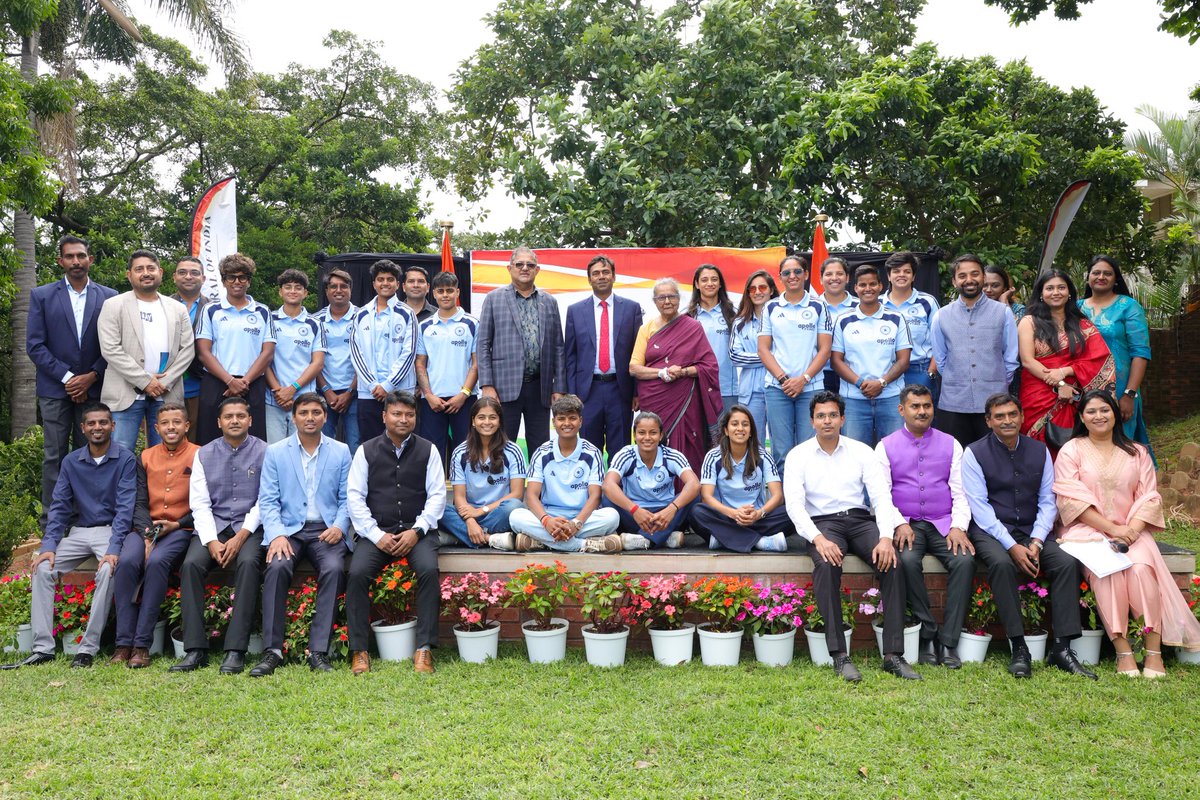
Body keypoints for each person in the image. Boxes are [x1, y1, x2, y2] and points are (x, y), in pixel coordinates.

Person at [1053, 391, 1200, 677]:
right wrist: (1112, 530)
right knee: (1108, 574)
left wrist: (1130, 532)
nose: (1099, 416)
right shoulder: (1071, 451)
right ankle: (1123, 652)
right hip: (1088, 532)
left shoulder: (1137, 452)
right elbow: (1071, 500)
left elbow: (1149, 498)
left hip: (1134, 531)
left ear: (1115, 414)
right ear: (1081, 417)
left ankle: (1154, 653)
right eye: (1091, 411)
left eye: (1105, 410)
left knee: (1141, 571)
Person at [782, 391, 919, 681]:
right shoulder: (798, 456)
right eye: (821, 416)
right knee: (827, 564)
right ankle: (840, 655)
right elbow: (794, 505)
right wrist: (818, 539)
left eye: (832, 415)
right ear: (812, 421)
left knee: (892, 562)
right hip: (822, 524)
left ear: (842, 418)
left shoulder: (861, 451)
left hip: (859, 520)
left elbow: (881, 497)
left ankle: (893, 655)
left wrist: (885, 537)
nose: (827, 420)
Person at [962, 393, 1095, 679]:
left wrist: (1035, 541)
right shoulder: (974, 453)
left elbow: (1048, 500)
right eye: (999, 416)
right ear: (988, 421)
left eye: (1012, 414)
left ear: (1022, 417)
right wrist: (1011, 546)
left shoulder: (1039, 450)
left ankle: (1061, 648)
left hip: (1033, 530)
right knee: (1000, 564)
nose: (1007, 420)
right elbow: (979, 507)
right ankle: (1019, 647)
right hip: (991, 531)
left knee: (1065, 563)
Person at [3, 403, 136, 670]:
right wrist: (48, 546)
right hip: (78, 533)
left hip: (109, 531)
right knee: (42, 569)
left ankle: (87, 649)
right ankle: (43, 649)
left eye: (103, 422)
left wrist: (113, 547)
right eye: (92, 423)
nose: (97, 427)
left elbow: (125, 509)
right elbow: (60, 507)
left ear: (113, 425)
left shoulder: (126, 459)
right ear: (84, 428)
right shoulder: (71, 461)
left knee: (108, 570)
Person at [250, 393, 352, 676]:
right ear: (293, 417)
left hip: (325, 530)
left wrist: (339, 526)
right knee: (277, 566)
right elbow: (268, 500)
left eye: (316, 412)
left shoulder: (341, 451)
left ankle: (318, 651)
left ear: (325, 416)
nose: (310, 418)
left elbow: (347, 499)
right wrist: (277, 535)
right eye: (304, 412)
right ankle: (272, 651)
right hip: (289, 531)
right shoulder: (276, 451)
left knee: (333, 569)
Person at [346, 390, 445, 675]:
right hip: (377, 532)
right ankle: (359, 651)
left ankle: (424, 649)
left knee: (428, 570)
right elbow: (355, 498)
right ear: (384, 416)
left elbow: (437, 496)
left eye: (409, 414)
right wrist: (377, 535)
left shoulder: (429, 449)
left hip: (417, 533)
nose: (403, 419)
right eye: (397, 414)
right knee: (356, 574)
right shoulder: (366, 450)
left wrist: (417, 530)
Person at [876, 384, 973, 669]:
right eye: (915, 406)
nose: (922, 411)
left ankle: (949, 642)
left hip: (944, 522)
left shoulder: (951, 443)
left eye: (926, 406)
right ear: (902, 409)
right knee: (905, 560)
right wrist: (898, 523)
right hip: (906, 524)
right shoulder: (885, 445)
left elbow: (960, 490)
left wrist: (958, 527)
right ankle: (928, 633)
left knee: (964, 561)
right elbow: (881, 493)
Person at [26, 235, 118, 530]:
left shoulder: (109, 297)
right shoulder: (41, 296)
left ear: (90, 259)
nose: (76, 261)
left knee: (91, 455)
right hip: (55, 389)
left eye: (81, 256)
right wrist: (69, 378)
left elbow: (115, 345)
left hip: (95, 387)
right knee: (54, 455)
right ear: (60, 261)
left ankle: (88, 520)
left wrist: (91, 375)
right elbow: (35, 346)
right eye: (70, 256)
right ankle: (52, 523)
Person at [172, 396, 267, 674]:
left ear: (250, 420)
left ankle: (236, 649)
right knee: (191, 565)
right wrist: (212, 541)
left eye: (240, 416)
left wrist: (240, 537)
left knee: (249, 563)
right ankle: (195, 649)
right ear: (219, 422)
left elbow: (265, 500)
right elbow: (199, 503)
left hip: (249, 528)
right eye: (229, 416)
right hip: (212, 527)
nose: (234, 421)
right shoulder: (204, 454)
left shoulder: (265, 452)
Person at [120, 402, 199, 668]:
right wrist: (145, 535)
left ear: (186, 425)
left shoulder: (200, 455)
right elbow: (139, 501)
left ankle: (141, 645)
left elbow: (204, 503)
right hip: (145, 526)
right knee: (128, 561)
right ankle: (122, 643)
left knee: (156, 562)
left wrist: (178, 524)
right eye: (165, 423)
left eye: (177, 422)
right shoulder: (145, 456)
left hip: (180, 528)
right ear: (155, 427)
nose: (171, 427)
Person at [98, 249, 196, 452]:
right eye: (139, 269)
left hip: (166, 394)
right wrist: (145, 381)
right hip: (124, 394)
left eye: (151, 268)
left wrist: (163, 383)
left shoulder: (176, 308)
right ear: (129, 275)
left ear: (160, 272)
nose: (146, 273)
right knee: (120, 454)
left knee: (166, 453)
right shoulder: (113, 305)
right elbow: (110, 348)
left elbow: (187, 349)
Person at [475, 247, 566, 457]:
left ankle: (538, 491)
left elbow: (558, 347)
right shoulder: (493, 299)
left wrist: (559, 387)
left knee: (541, 449)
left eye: (530, 265)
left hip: (540, 387)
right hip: (503, 388)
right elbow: (483, 344)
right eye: (519, 264)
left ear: (538, 270)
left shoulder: (549, 302)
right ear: (510, 268)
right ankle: (504, 490)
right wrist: (487, 385)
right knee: (501, 447)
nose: (525, 268)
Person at [629, 277, 724, 474]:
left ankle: (689, 495)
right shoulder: (646, 329)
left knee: (689, 445)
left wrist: (683, 371)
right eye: (661, 297)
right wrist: (661, 372)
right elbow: (634, 368)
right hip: (654, 400)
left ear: (679, 300)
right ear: (654, 301)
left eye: (672, 296)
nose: (667, 301)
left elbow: (709, 366)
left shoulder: (693, 327)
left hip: (687, 402)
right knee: (654, 442)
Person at [509, 394, 622, 553]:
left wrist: (576, 523)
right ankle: (583, 545)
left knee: (612, 517)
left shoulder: (592, 452)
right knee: (516, 516)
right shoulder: (542, 453)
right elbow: (532, 495)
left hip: (582, 518)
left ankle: (541, 542)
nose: (567, 423)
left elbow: (595, 496)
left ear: (580, 421)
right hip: (550, 517)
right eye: (561, 418)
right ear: (553, 422)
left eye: (572, 418)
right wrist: (546, 520)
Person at [1017, 269, 1115, 449]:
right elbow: (1028, 361)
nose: (1056, 292)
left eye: (1061, 287)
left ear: (1069, 292)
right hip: (1037, 393)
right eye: (1050, 288)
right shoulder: (1029, 322)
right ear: (1041, 293)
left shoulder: (1082, 324)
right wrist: (1060, 385)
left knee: (1073, 444)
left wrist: (1065, 372)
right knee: (1037, 447)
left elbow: (1099, 360)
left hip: (1075, 395)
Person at [930, 254, 1019, 447]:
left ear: (983, 278)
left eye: (974, 274)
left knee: (995, 456)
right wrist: (957, 379)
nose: (969, 280)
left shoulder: (1002, 312)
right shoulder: (941, 316)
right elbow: (941, 359)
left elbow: (1011, 357)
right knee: (955, 459)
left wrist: (997, 382)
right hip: (953, 402)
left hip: (994, 401)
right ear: (954, 281)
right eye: (962, 276)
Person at [563, 255, 643, 457]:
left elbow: (639, 352)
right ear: (589, 279)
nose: (601, 276)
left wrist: (637, 391)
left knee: (621, 449)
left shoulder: (632, 309)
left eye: (606, 272)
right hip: (587, 393)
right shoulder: (575, 311)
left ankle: (617, 488)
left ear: (614, 276)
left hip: (620, 390)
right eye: (596, 273)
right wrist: (572, 393)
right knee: (589, 449)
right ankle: (594, 489)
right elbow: (570, 356)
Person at [194, 253, 277, 444]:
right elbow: (203, 352)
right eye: (231, 277)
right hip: (217, 383)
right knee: (210, 440)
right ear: (223, 281)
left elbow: (268, 353)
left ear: (249, 281)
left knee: (254, 442)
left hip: (252, 383)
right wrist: (230, 381)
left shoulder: (262, 311)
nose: (237, 282)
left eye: (242, 277)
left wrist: (244, 381)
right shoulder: (211, 310)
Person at [758, 256, 832, 465]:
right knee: (781, 450)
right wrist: (784, 380)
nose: (792, 276)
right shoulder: (770, 307)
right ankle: (785, 498)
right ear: (780, 277)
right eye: (787, 273)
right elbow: (763, 349)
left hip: (810, 387)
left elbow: (825, 349)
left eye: (797, 272)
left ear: (806, 275)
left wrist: (804, 379)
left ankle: (810, 498)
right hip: (777, 388)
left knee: (811, 449)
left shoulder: (819, 307)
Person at [831, 264, 912, 447]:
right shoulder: (843, 320)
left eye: (872, 284)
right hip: (854, 399)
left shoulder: (896, 318)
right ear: (855, 288)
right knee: (855, 455)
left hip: (891, 397)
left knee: (895, 452)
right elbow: (836, 361)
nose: (868, 289)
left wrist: (881, 382)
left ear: (880, 286)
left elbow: (903, 360)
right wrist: (861, 383)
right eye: (862, 285)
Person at [694, 405, 793, 553]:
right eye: (734, 424)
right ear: (726, 431)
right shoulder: (713, 456)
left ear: (751, 431)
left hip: (757, 519)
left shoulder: (763, 456)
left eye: (745, 424)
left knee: (792, 511)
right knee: (696, 511)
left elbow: (778, 496)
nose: (740, 428)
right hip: (725, 517)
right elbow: (706, 497)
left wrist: (759, 514)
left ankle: (725, 539)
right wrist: (733, 513)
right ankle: (760, 542)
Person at [1079, 255, 1153, 450]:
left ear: (1115, 278)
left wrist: (1130, 394)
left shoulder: (1128, 306)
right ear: (1088, 277)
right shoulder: (1076, 308)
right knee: (1086, 447)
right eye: (1096, 272)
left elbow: (1140, 352)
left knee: (1122, 445)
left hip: (1120, 388)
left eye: (1107, 273)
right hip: (1082, 387)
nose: (1101, 277)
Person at [602, 411, 700, 550]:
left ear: (660, 436)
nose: (647, 438)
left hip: (666, 516)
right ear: (635, 435)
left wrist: (671, 509)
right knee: (607, 497)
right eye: (641, 433)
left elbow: (694, 484)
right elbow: (608, 485)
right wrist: (635, 510)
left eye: (653, 433)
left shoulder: (672, 455)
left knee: (694, 496)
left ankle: (643, 540)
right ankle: (664, 538)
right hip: (635, 515)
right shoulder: (626, 454)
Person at [442, 397, 527, 550]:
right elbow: (459, 497)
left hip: (497, 513)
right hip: (467, 514)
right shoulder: (460, 452)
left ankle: (461, 537)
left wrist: (480, 511)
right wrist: (470, 520)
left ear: (499, 421)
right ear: (473, 421)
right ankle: (490, 538)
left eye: (492, 417)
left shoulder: (513, 451)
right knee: (440, 507)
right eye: (481, 417)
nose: (487, 422)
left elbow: (517, 494)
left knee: (514, 507)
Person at [349, 259, 419, 444]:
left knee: (403, 444)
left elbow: (409, 353)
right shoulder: (361, 314)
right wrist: (373, 385)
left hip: (400, 390)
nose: (385, 283)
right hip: (368, 392)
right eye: (381, 279)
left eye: (390, 279)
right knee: (371, 444)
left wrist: (387, 385)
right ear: (374, 283)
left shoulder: (407, 313)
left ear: (397, 284)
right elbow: (356, 353)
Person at [415, 270, 479, 462]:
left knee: (467, 453)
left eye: (449, 291)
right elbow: (420, 363)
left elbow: (476, 363)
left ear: (457, 293)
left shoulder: (472, 323)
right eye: (441, 291)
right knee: (432, 455)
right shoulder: (425, 326)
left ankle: (466, 493)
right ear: (433, 293)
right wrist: (429, 395)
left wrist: (464, 394)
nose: (445, 295)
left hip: (465, 399)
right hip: (433, 401)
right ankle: (435, 493)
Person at [264, 269, 327, 444]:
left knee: (302, 449)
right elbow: (264, 359)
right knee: (274, 451)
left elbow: (318, 363)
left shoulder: (315, 324)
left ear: (305, 293)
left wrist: (292, 389)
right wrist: (279, 391)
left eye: (298, 288)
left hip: (305, 400)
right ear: (280, 291)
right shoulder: (269, 319)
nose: (292, 291)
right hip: (273, 400)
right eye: (288, 287)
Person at [313, 269, 359, 454]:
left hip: (356, 392)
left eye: (343, 286)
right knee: (322, 447)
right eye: (333, 286)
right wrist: (327, 391)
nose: (338, 290)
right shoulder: (314, 320)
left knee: (356, 447)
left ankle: (354, 485)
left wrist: (349, 391)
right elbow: (311, 360)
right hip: (323, 393)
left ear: (350, 289)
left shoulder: (363, 318)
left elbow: (368, 359)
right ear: (326, 291)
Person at [729, 270, 777, 442]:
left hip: (780, 388)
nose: (757, 292)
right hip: (751, 393)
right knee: (751, 443)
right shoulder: (740, 322)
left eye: (762, 287)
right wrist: (767, 357)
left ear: (771, 290)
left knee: (782, 442)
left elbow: (790, 353)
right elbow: (735, 357)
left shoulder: (783, 318)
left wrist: (764, 357)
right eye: (752, 289)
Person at [882, 252, 940, 395]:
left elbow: (941, 339)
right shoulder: (877, 304)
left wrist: (931, 372)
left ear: (913, 276)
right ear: (889, 276)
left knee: (921, 416)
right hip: (885, 371)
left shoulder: (928, 302)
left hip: (919, 370)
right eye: (896, 271)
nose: (902, 275)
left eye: (907, 271)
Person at [686, 264, 739, 418]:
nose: (710, 283)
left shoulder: (733, 314)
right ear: (696, 284)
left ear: (720, 283)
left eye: (714, 279)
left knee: (726, 437)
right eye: (704, 280)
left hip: (727, 388)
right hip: (697, 387)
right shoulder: (688, 316)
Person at [170, 257, 210, 440]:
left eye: (194, 273)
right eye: (182, 272)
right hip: (166, 386)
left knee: (197, 442)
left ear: (203, 278)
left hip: (201, 388)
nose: (188, 277)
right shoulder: (161, 305)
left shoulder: (214, 309)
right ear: (174, 277)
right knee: (165, 441)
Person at [816, 256, 859, 394]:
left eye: (839, 274)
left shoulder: (861, 306)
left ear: (847, 278)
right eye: (828, 274)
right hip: (819, 374)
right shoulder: (811, 307)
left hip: (854, 375)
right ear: (821, 279)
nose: (834, 278)